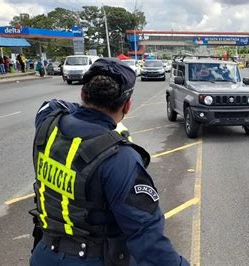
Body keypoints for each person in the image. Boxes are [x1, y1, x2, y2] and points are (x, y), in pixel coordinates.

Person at [29, 58, 188, 266]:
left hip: (43, 255)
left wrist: (85, 110)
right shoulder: (121, 158)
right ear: (127, 105)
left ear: (83, 94)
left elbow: (53, 104)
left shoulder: (48, 123)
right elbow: (148, 238)